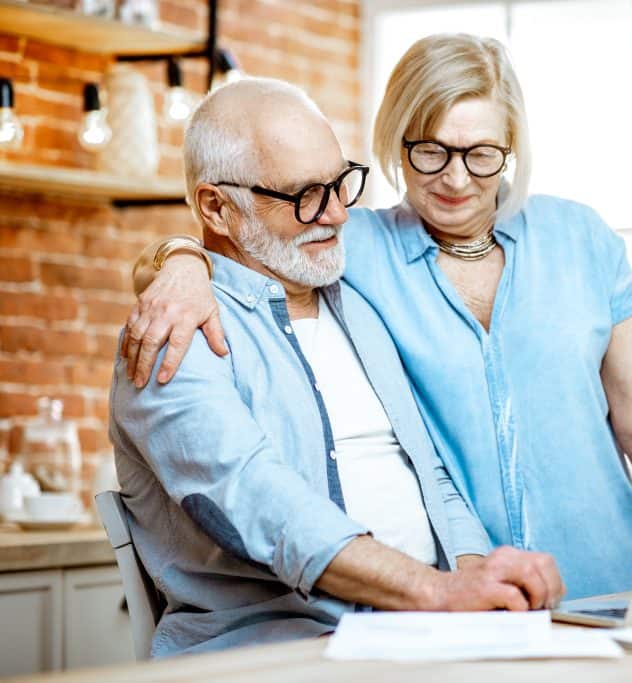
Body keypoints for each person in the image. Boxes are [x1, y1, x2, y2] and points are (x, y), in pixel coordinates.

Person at [124, 34, 632, 600]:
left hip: (609, 584)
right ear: (396, 142)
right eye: (431, 151)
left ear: (512, 148)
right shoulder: (357, 247)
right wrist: (178, 262)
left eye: (482, 155)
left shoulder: (580, 240)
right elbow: (247, 249)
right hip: (474, 598)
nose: (456, 179)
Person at [109, 77, 562, 658]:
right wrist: (438, 591)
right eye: (304, 195)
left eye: (340, 183)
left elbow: (430, 475)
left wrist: (481, 586)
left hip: (424, 631)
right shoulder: (173, 333)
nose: (337, 214)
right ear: (216, 207)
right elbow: (258, 502)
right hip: (281, 647)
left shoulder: (360, 304)